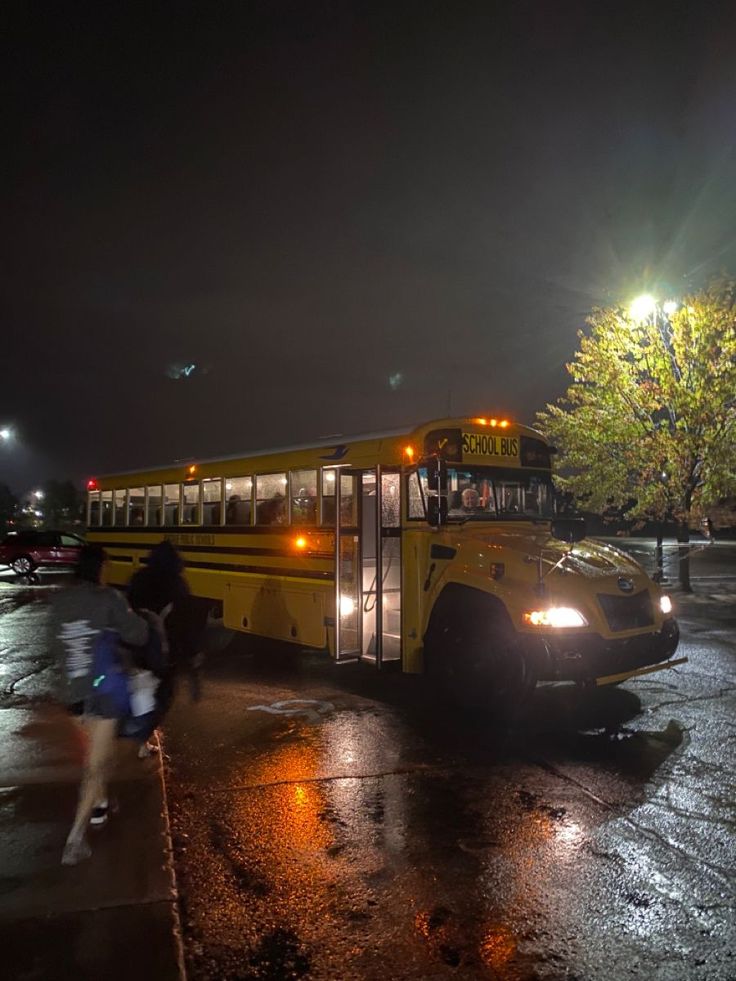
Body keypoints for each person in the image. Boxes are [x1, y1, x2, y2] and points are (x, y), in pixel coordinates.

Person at [50, 544, 150, 866]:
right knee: (96, 765)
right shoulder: (108, 599)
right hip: (103, 690)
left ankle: (102, 803)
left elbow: (54, 644)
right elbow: (138, 634)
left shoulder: (60, 600)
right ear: (101, 568)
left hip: (72, 691)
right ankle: (75, 839)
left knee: (96, 749)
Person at [127, 541, 204, 741]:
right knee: (163, 695)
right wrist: (193, 655)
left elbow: (129, 611)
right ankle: (143, 734)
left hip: (140, 647)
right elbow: (185, 622)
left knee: (142, 690)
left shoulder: (139, 579)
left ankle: (139, 735)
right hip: (165, 650)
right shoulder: (177, 584)